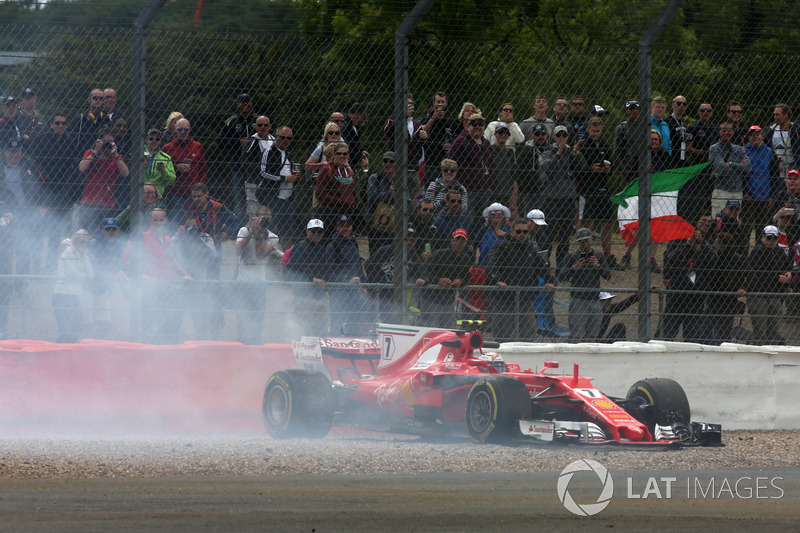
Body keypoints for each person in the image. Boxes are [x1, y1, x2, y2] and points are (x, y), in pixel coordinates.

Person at [124, 208, 192, 345]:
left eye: (161, 220)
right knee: (150, 319)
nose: (159, 222)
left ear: (165, 221)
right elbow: (128, 261)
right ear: (149, 221)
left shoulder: (167, 238)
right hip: (150, 287)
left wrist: (185, 274)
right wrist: (142, 275)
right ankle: (149, 347)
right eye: (155, 220)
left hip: (167, 285)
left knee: (171, 317)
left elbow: (171, 260)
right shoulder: (142, 237)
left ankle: (167, 347)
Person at [485, 218, 555, 341]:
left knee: (529, 331)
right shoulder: (502, 247)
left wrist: (549, 280)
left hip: (525, 296)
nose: (522, 235)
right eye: (518, 232)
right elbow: (491, 265)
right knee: (502, 334)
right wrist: (498, 280)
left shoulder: (530, 248)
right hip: (503, 297)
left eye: (525, 232)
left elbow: (541, 266)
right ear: (511, 232)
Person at [31, 112, 78, 271]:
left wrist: (67, 185)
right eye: (57, 123)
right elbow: (35, 161)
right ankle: (37, 262)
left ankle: (51, 263)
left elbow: (73, 164)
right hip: (44, 188)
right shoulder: (42, 139)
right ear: (51, 125)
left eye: (63, 123)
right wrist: (40, 179)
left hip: (61, 189)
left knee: (56, 227)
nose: (60, 126)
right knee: (39, 226)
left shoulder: (70, 141)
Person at [235, 204, 283, 345]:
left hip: (259, 283)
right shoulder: (244, 230)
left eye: (267, 219)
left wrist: (259, 235)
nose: (264, 221)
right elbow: (237, 251)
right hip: (242, 282)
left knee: (257, 319)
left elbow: (259, 255)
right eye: (261, 218)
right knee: (242, 319)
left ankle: (255, 348)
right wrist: (251, 232)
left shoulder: (273, 237)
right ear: (255, 217)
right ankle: (241, 347)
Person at [659, 228, 715, 342]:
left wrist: (702, 242)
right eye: (693, 244)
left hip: (696, 300)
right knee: (667, 332)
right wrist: (687, 245)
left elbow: (714, 258)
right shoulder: (681, 253)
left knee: (692, 335)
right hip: (676, 299)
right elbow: (671, 258)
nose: (695, 246)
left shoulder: (703, 255)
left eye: (696, 244)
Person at [539, 125, 584, 268]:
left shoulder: (572, 152)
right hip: (551, 200)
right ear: (554, 137)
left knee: (565, 237)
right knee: (548, 236)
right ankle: (544, 265)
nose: (562, 138)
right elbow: (547, 168)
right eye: (559, 135)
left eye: (564, 135)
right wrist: (558, 153)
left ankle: (562, 267)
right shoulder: (548, 152)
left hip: (567, 200)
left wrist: (576, 153)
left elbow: (582, 168)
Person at [558, 228, 612, 342]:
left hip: (594, 299)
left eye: (587, 241)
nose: (585, 244)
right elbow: (561, 276)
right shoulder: (571, 256)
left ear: (592, 239)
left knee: (592, 336)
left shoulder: (598, 255)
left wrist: (598, 266)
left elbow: (608, 275)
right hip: (578, 299)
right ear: (578, 242)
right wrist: (575, 268)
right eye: (582, 242)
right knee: (578, 336)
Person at [364, 224, 425, 324]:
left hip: (392, 296)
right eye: (407, 239)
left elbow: (423, 272)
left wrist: (422, 278)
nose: (409, 242)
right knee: (368, 319)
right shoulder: (386, 250)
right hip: (375, 292)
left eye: (413, 240)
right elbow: (368, 265)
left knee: (390, 321)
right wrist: (377, 282)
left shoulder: (413, 256)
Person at [0, 138, 43, 279]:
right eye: (11, 151)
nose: (14, 155)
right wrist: (4, 211)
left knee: (23, 250)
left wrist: (40, 205)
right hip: (5, 214)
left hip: (26, 213)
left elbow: (39, 185)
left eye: (17, 151)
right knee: (4, 251)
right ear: (5, 151)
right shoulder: (1, 166)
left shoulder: (28, 164)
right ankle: (4, 282)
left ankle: (21, 283)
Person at [742, 225, 793, 344]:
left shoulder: (778, 250)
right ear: (762, 237)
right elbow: (757, 272)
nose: (772, 241)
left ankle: (771, 352)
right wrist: (777, 278)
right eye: (769, 238)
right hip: (758, 294)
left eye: (775, 238)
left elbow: (788, 264)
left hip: (774, 294)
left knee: (774, 331)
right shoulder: (757, 251)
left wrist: (789, 273)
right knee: (761, 331)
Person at [578, 120, 617, 268]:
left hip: (603, 188)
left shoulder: (605, 145)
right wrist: (590, 168)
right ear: (588, 130)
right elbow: (577, 168)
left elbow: (611, 164)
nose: (595, 134)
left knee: (607, 222)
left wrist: (608, 169)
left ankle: (608, 255)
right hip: (588, 189)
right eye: (593, 131)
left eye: (598, 131)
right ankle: (586, 253)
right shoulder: (582, 146)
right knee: (588, 223)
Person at [76, 128, 130, 232]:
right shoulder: (90, 153)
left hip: (108, 203)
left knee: (106, 232)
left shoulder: (116, 157)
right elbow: (82, 168)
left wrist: (115, 154)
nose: (107, 144)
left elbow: (125, 173)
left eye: (110, 141)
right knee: (86, 232)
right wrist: (96, 151)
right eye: (105, 141)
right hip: (89, 202)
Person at [282, 219, 330, 337]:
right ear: (307, 231)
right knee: (304, 333)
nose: (316, 234)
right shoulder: (300, 247)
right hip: (303, 296)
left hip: (319, 296)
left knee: (321, 332)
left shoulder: (321, 248)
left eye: (319, 232)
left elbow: (325, 270)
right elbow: (291, 271)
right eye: (313, 231)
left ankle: (321, 353)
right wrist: (312, 279)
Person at [325, 215, 371, 335]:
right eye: (342, 226)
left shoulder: (353, 243)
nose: (346, 229)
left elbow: (358, 266)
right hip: (340, 292)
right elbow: (329, 272)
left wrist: (364, 285)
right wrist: (347, 280)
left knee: (356, 322)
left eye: (348, 226)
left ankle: (354, 346)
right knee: (339, 323)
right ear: (337, 228)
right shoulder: (332, 246)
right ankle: (335, 347)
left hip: (356, 291)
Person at [447, 113, 493, 233]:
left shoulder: (486, 143)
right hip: (468, 189)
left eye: (481, 124)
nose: (478, 127)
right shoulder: (461, 141)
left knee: (482, 222)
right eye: (474, 124)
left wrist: (490, 186)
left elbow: (491, 166)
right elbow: (450, 162)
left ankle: (478, 247)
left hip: (484, 189)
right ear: (468, 126)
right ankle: (464, 246)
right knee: (467, 220)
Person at [255, 125, 301, 242]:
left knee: (287, 231)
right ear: (276, 137)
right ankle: (265, 253)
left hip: (287, 199)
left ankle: (286, 257)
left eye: (289, 138)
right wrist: (283, 179)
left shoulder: (289, 155)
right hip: (272, 197)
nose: (286, 141)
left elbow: (289, 174)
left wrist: (295, 177)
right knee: (271, 229)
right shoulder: (269, 152)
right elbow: (263, 173)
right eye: (283, 137)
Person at [420, 228, 472, 329]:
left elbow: (467, 277)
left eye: (462, 241)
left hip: (448, 301)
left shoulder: (465, 259)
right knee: (431, 330)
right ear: (452, 241)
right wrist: (438, 281)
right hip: (431, 298)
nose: (459, 243)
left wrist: (460, 281)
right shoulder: (439, 254)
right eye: (457, 240)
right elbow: (424, 269)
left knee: (449, 331)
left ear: (465, 243)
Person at [218, 92, 257, 217]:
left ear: (251, 104)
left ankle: (256, 224)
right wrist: (238, 142)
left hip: (256, 166)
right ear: (238, 105)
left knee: (256, 197)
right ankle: (240, 228)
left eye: (248, 101)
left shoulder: (259, 121)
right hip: (238, 165)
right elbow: (220, 141)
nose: (245, 104)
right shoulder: (231, 122)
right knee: (239, 198)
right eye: (242, 102)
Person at [88, 217, 128, 339]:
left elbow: (123, 263)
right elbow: (94, 267)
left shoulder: (119, 245)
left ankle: (97, 343)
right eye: (108, 229)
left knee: (107, 323)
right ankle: (90, 343)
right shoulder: (95, 244)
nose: (111, 231)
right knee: (90, 323)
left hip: (110, 288)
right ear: (102, 231)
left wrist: (122, 271)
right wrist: (112, 275)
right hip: (94, 287)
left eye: (113, 229)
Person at [52, 228, 94, 342]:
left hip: (74, 296)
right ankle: (56, 355)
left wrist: (85, 256)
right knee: (65, 331)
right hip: (62, 295)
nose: (84, 245)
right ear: (75, 241)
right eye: (82, 242)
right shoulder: (69, 251)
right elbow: (72, 273)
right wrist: (83, 274)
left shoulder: (82, 255)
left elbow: (91, 275)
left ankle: (65, 355)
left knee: (75, 330)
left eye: (87, 242)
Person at [161, 118, 208, 219]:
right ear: (175, 130)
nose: (183, 132)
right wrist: (176, 167)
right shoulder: (167, 148)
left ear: (190, 130)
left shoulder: (197, 146)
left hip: (194, 194)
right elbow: (163, 169)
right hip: (175, 193)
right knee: (176, 221)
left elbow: (203, 169)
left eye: (186, 130)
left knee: (196, 220)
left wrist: (200, 188)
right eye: (180, 129)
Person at [706, 232, 747, 344]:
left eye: (717, 243)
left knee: (724, 329)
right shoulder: (713, 257)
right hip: (714, 297)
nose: (714, 245)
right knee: (708, 327)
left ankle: (720, 347)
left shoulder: (737, 259)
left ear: (723, 246)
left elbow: (748, 275)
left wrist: (743, 288)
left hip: (729, 299)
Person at [743, 125, 778, 242]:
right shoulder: (744, 151)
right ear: (748, 137)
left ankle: (759, 256)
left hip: (765, 195)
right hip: (749, 195)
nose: (755, 137)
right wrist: (744, 192)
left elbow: (774, 175)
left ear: (762, 136)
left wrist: (771, 196)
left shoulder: (769, 152)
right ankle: (742, 258)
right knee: (746, 228)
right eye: (752, 135)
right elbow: (740, 174)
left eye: (758, 134)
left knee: (762, 229)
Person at [314, 141, 358, 234]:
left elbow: (353, 190)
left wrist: (354, 202)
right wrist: (340, 201)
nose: (342, 156)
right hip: (329, 213)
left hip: (346, 213)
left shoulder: (349, 171)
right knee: (329, 241)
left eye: (345, 153)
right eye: (339, 153)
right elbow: (319, 193)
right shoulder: (327, 169)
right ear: (334, 155)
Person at [709, 122, 751, 215]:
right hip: (721, 191)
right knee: (718, 220)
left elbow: (748, 168)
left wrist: (731, 164)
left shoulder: (739, 149)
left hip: (737, 192)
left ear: (733, 132)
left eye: (729, 130)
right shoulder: (715, 148)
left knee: (734, 223)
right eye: (723, 130)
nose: (726, 133)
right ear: (719, 133)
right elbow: (721, 169)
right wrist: (740, 166)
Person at [420, 91, 458, 186]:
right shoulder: (427, 118)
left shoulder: (450, 120)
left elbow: (456, 137)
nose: (440, 104)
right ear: (434, 103)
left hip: (446, 164)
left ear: (446, 103)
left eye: (442, 101)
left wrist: (451, 145)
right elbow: (423, 132)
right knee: (430, 192)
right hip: (431, 162)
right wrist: (433, 118)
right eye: (438, 101)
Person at [365, 151, 400, 251]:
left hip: (394, 224)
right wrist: (388, 194)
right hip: (375, 223)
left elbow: (407, 201)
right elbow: (371, 197)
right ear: (382, 162)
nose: (388, 163)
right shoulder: (375, 178)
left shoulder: (401, 179)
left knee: (391, 252)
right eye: (386, 161)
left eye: (391, 161)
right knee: (375, 253)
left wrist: (397, 194)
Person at [241, 116, 275, 217]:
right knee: (254, 211)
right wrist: (263, 169)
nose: (263, 127)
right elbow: (244, 162)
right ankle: (252, 230)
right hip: (254, 182)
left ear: (270, 127)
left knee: (270, 211)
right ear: (255, 127)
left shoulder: (274, 141)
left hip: (271, 183)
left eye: (265, 125)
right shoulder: (251, 142)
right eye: (260, 125)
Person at [515, 123, 551, 218]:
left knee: (546, 219)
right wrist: (527, 186)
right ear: (532, 136)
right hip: (530, 192)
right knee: (530, 218)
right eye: (537, 134)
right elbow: (518, 170)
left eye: (542, 134)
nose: (540, 137)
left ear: (547, 135)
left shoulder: (552, 149)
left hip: (549, 191)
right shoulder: (526, 150)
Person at [765, 103, 800, 178]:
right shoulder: (771, 130)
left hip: (794, 168)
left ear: (786, 115)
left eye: (778, 115)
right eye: (774, 114)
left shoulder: (796, 130)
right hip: (776, 169)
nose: (775, 117)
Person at [613, 100, 641, 185]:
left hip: (643, 169)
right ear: (626, 110)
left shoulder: (645, 126)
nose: (633, 110)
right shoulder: (621, 128)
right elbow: (616, 152)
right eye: (630, 108)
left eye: (635, 108)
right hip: (628, 170)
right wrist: (623, 170)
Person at [143, 128, 175, 198]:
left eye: (157, 139)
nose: (154, 141)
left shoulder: (166, 158)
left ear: (161, 142)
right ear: (146, 140)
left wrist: (163, 171)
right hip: (139, 194)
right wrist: (140, 168)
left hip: (157, 196)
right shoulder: (138, 154)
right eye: (151, 139)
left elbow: (172, 180)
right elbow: (128, 174)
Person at [478, 203, 510, 267]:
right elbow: (473, 245)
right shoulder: (483, 230)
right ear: (489, 216)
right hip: (485, 265)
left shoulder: (509, 230)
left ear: (503, 215)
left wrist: (506, 234)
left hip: (505, 266)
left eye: (499, 212)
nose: (496, 215)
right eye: (492, 213)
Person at [341, 102, 369, 171]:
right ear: (359, 114)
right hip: (345, 162)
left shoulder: (355, 126)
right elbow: (348, 145)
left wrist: (361, 150)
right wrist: (360, 159)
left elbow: (355, 144)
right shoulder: (344, 125)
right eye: (363, 117)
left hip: (352, 163)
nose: (363, 120)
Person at [666, 95, 689, 166]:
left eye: (684, 104)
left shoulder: (683, 121)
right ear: (673, 105)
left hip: (682, 156)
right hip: (671, 157)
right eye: (679, 103)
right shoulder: (667, 121)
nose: (682, 106)